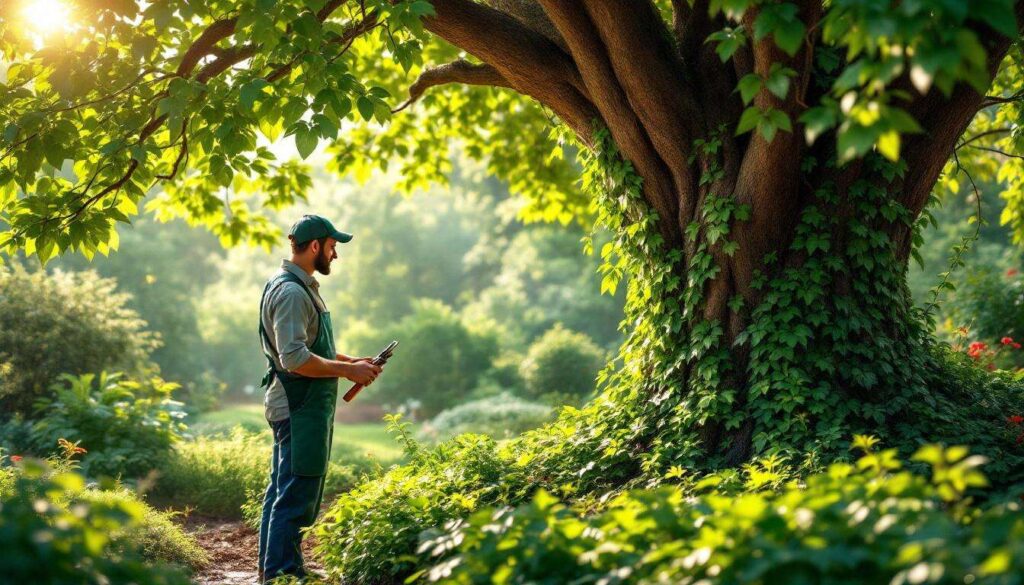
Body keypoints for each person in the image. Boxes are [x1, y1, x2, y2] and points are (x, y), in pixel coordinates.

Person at [256, 214, 382, 582]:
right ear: (315, 247)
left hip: (300, 407)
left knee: (283, 491)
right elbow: (293, 358)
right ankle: (283, 575)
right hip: (298, 409)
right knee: (296, 497)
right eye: (332, 246)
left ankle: (274, 570)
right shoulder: (293, 293)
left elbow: (313, 347)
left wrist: (353, 362)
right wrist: (348, 373)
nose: (335, 254)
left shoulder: (296, 285)